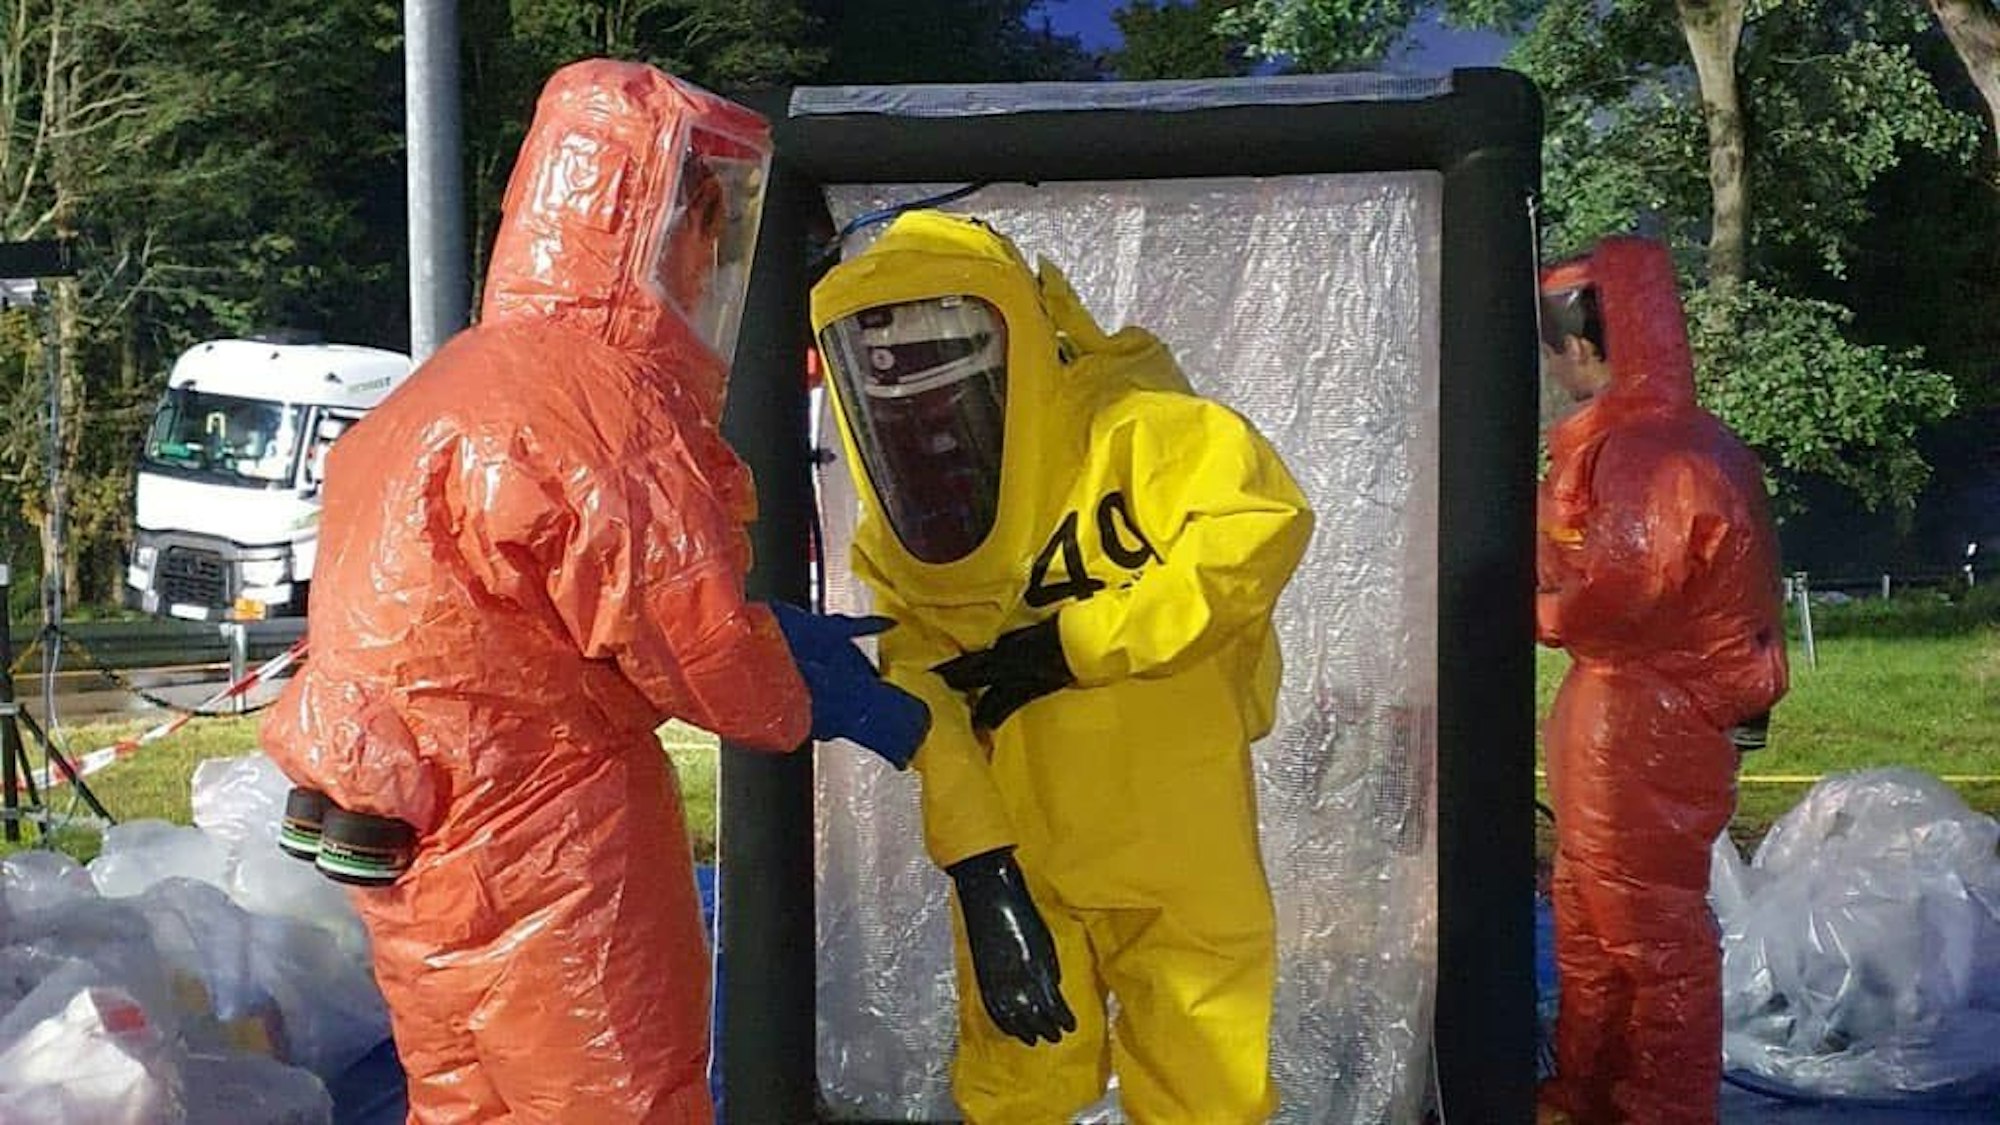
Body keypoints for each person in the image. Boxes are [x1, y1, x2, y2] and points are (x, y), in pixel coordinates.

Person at [260, 61, 925, 1125]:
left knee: (461, 1101)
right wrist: (813, 685)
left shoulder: (450, 381)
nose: (713, 260)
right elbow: (702, 652)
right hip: (552, 843)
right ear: (651, 225)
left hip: (411, 843)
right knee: (615, 1097)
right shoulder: (600, 404)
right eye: (705, 227)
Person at [810, 210, 1314, 1124]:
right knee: (1020, 1081)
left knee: (1205, 1081)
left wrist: (1075, 644)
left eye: (945, 348)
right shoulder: (903, 540)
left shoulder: (1151, 435)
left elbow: (1257, 533)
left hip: (1176, 835)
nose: (924, 399)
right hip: (1023, 841)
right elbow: (928, 710)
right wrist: (983, 869)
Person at [1535, 236, 1789, 1125]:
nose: (1555, 364)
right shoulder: (1651, 442)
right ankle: (1591, 1092)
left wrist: (1526, 603)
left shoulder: (1654, 453)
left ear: (1583, 342)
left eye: (1556, 340)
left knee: (1646, 934)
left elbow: (1622, 591)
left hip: (1643, 719)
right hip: (1625, 708)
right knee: (1594, 916)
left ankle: (1655, 1109)